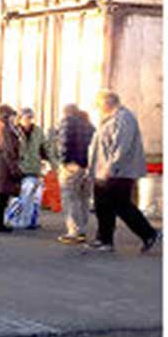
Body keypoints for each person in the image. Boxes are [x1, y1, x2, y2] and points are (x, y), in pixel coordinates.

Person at [86, 90, 161, 253]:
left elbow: (122, 146)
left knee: (121, 205)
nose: (98, 109)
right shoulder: (110, 119)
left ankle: (149, 234)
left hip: (119, 172)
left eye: (99, 105)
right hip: (103, 171)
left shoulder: (124, 118)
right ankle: (104, 239)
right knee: (102, 206)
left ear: (107, 103)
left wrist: (110, 167)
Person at [56, 104, 95, 244]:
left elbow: (64, 143)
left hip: (72, 166)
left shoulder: (67, 122)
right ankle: (82, 229)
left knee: (70, 198)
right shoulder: (90, 126)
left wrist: (64, 162)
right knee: (84, 198)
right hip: (87, 167)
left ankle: (74, 231)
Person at [15, 107, 57, 229]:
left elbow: (46, 148)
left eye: (30, 118)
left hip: (34, 167)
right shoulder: (15, 131)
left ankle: (30, 220)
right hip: (20, 168)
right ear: (20, 119)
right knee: (22, 196)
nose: (28, 120)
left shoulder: (38, 131)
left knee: (34, 197)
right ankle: (20, 219)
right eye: (26, 118)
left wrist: (54, 164)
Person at [0, 104, 22, 232]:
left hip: (1, 166)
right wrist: (14, 169)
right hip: (4, 167)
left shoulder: (0, 128)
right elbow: (8, 151)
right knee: (3, 198)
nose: (13, 118)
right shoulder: (4, 130)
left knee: (3, 198)